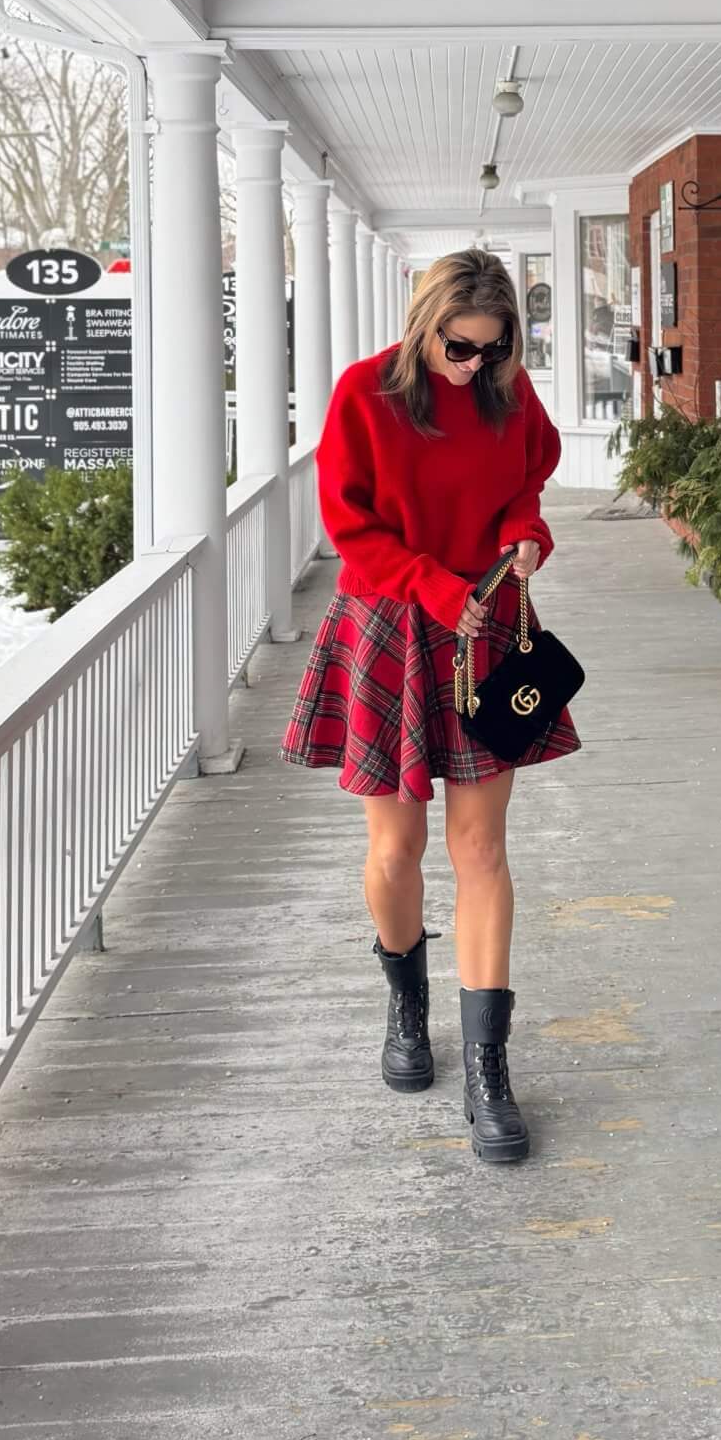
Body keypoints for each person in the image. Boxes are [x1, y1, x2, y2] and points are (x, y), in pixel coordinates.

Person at [283, 247, 577, 1164]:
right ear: (425, 324)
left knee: (483, 848)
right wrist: (435, 589)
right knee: (394, 847)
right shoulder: (365, 394)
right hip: (391, 625)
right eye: (460, 347)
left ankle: (490, 1069)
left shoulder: (506, 394)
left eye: (492, 351)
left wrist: (525, 539)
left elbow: (527, 484)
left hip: (488, 626)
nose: (474, 366)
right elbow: (350, 524)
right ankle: (406, 1007)